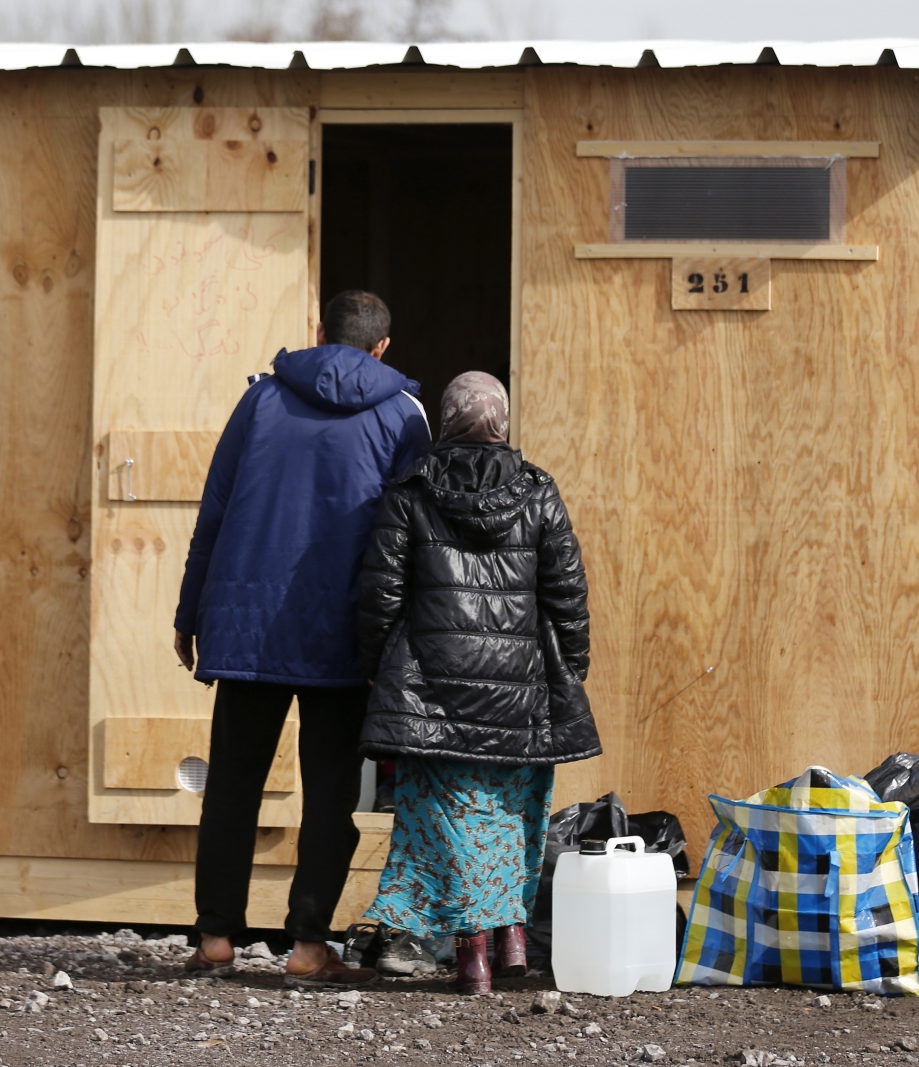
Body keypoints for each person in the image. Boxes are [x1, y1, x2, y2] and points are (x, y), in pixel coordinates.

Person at [175, 290, 432, 987]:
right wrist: (399, 643)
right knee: (329, 795)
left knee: (231, 786)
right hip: (344, 637)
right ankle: (309, 946)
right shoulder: (403, 413)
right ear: (382, 347)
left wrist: (188, 610)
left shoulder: (261, 400)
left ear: (320, 334)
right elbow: (411, 537)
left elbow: (216, 505)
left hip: (250, 628)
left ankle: (217, 937)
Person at [354, 371, 600, 993]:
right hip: (520, 693)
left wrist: (382, 671)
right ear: (504, 424)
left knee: (450, 821)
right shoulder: (539, 490)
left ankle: (475, 962)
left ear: (444, 422)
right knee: (512, 815)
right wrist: (569, 667)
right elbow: (567, 593)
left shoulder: (409, 491)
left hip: (431, 690)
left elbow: (380, 595)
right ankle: (511, 939)